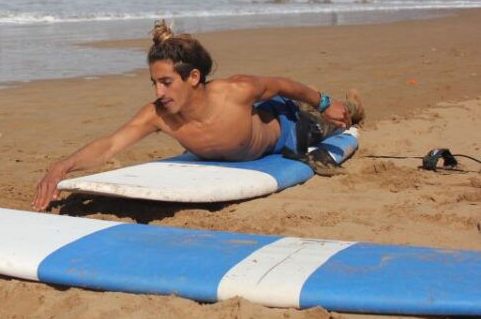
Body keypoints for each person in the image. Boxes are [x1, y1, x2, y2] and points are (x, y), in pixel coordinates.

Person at [32, 20, 364, 211]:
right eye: (154, 83)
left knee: (339, 123)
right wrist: (64, 165)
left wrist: (324, 103)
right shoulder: (159, 116)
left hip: (289, 128)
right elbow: (110, 145)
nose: (158, 93)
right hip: (254, 141)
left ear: (193, 78)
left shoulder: (236, 91)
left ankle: (351, 105)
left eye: (166, 82)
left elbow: (282, 85)